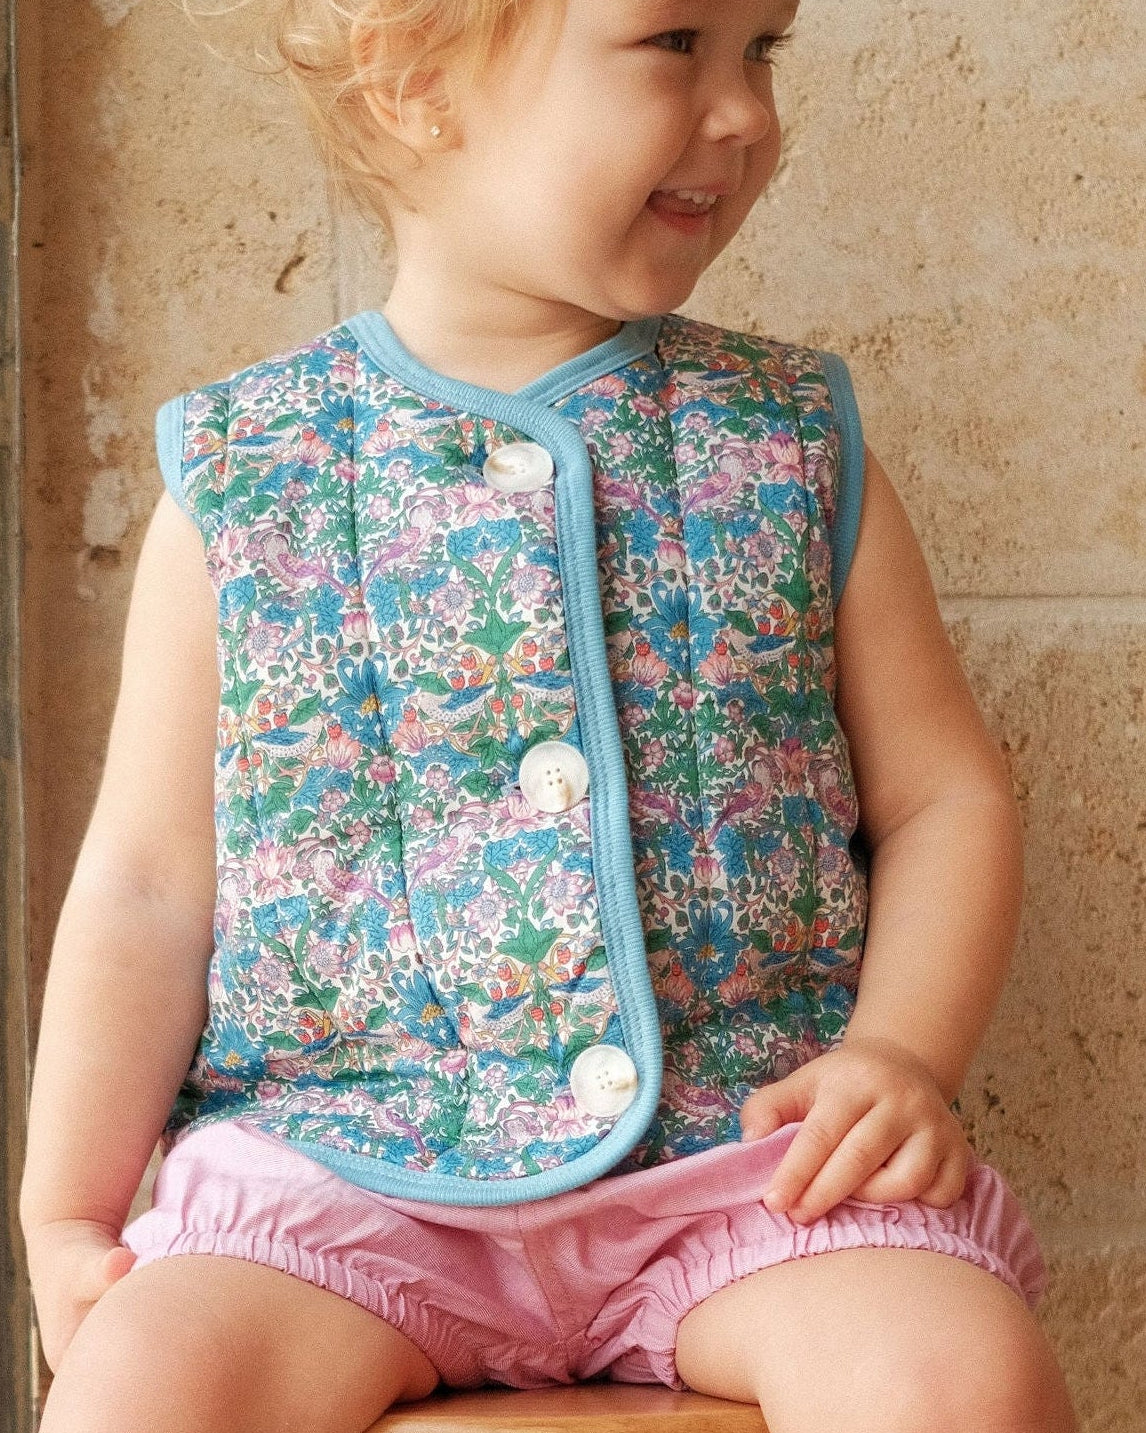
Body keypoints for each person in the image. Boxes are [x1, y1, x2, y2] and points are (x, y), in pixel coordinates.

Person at [20, 1, 1079, 1428]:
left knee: (957, 1377)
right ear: (416, 87)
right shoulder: (244, 475)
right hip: (342, 1176)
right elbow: (149, 885)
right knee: (141, 1395)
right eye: (672, 44)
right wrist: (70, 1206)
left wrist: (896, 1052)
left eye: (761, 49)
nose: (745, 112)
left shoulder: (789, 439)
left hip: (743, 1164)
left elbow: (941, 796)